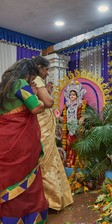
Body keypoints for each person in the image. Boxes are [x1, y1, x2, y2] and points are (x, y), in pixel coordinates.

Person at [0, 58, 48, 224]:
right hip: (20, 139)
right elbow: (35, 108)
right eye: (32, 77)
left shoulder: (4, 85)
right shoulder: (20, 82)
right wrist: (39, 98)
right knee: (25, 176)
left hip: (4, 137)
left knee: (6, 176)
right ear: (28, 73)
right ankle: (23, 220)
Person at [32, 56, 73, 211]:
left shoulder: (33, 80)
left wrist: (47, 92)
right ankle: (52, 201)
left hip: (44, 125)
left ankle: (54, 198)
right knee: (47, 161)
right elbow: (48, 103)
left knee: (50, 158)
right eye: (46, 69)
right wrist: (48, 94)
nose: (47, 73)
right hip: (42, 127)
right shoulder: (37, 79)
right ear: (39, 67)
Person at [61, 80, 87, 168]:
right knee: (69, 144)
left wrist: (82, 118)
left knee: (77, 146)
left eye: (74, 94)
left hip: (78, 131)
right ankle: (69, 161)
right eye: (70, 95)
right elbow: (63, 119)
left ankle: (76, 163)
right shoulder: (66, 108)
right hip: (69, 131)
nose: (72, 96)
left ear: (77, 96)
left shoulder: (80, 107)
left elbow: (85, 116)